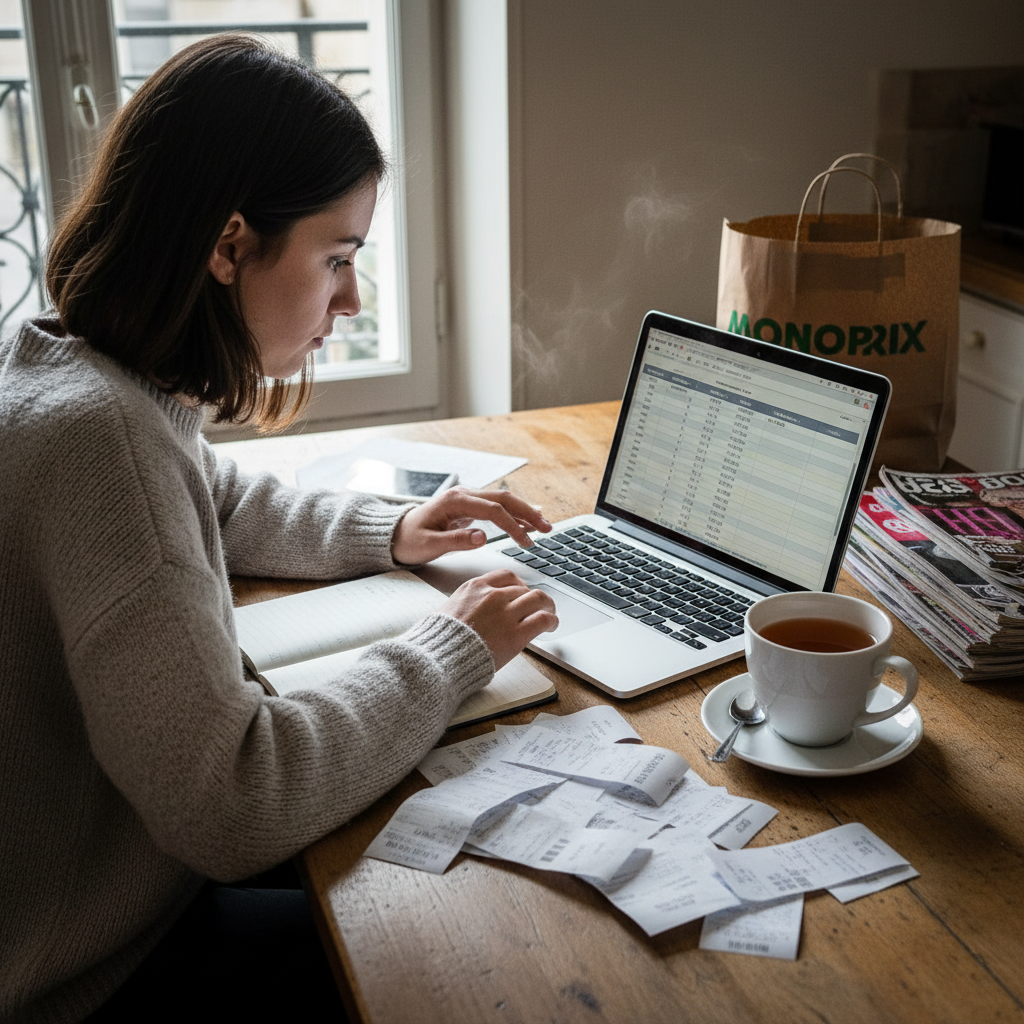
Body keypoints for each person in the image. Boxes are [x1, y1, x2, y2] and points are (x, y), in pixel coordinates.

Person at [0, 34, 558, 1023]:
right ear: (228, 246)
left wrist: (390, 530)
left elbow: (212, 499)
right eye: (336, 258)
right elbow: (235, 800)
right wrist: (451, 650)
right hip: (87, 973)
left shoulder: (73, 373)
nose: (350, 299)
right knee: (482, 950)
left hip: (100, 895)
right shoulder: (104, 446)